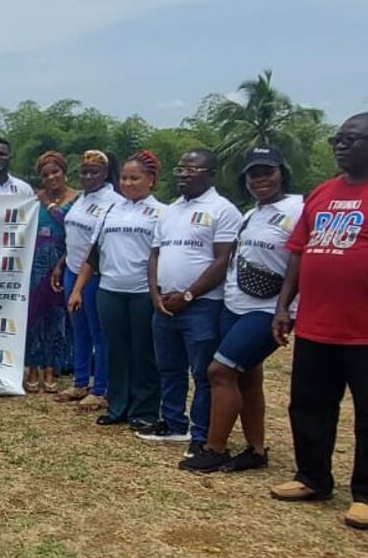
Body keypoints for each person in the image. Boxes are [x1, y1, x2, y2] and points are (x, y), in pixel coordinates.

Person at [269, 113, 368, 530]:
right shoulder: (323, 192)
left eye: (350, 139)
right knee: (308, 405)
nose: (339, 146)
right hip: (318, 323)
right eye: (336, 139)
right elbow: (299, 251)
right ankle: (312, 476)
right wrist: (285, 304)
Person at [181, 146, 303, 473]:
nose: (260, 179)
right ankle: (256, 449)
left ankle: (214, 447)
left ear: (282, 173)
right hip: (235, 304)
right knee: (247, 376)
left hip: (267, 310)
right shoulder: (251, 213)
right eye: (253, 174)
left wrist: (284, 308)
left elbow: (299, 259)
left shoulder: (299, 208)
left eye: (268, 172)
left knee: (219, 371)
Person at [141, 149, 241, 458]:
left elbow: (222, 260)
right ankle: (172, 423)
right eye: (180, 167)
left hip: (202, 305)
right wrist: (155, 294)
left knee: (203, 373)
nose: (183, 173)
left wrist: (188, 296)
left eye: (192, 169)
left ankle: (202, 434)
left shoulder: (222, 210)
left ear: (210, 174)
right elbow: (156, 253)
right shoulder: (170, 210)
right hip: (165, 303)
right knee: (169, 368)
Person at [79, 151, 164, 429]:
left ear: (150, 180)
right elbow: (94, 252)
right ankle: (118, 407)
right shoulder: (111, 210)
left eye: (134, 178)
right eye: (124, 178)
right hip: (110, 290)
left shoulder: (161, 212)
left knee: (143, 352)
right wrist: (79, 287)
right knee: (116, 351)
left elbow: (162, 254)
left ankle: (145, 410)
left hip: (141, 292)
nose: (128, 183)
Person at [51, 150, 126, 410]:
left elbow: (96, 246)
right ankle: (80, 382)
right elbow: (74, 237)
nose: (88, 176)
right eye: (84, 172)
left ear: (105, 173)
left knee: (98, 332)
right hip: (72, 268)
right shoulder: (82, 198)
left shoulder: (113, 201)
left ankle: (100, 388)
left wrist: (81, 282)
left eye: (94, 172)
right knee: (78, 329)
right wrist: (61, 265)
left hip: (94, 273)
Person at [26, 151, 77, 393]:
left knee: (57, 315)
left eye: (55, 172)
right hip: (36, 261)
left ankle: (51, 367)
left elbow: (73, 228)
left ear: (64, 172)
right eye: (45, 175)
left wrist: (50, 204)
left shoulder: (77, 199)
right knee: (34, 314)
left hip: (63, 259)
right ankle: (33, 367)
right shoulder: (33, 200)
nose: (51, 177)